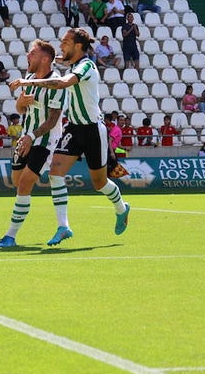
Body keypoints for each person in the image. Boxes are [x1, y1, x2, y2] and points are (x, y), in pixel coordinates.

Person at [8, 28, 130, 245]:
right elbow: (54, 58)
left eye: (65, 42)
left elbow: (62, 83)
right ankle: (63, 226)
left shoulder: (86, 66)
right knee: (55, 172)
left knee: (100, 183)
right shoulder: (72, 63)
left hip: (93, 130)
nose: (61, 45)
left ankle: (121, 207)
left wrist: (26, 82)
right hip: (73, 129)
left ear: (78, 46)